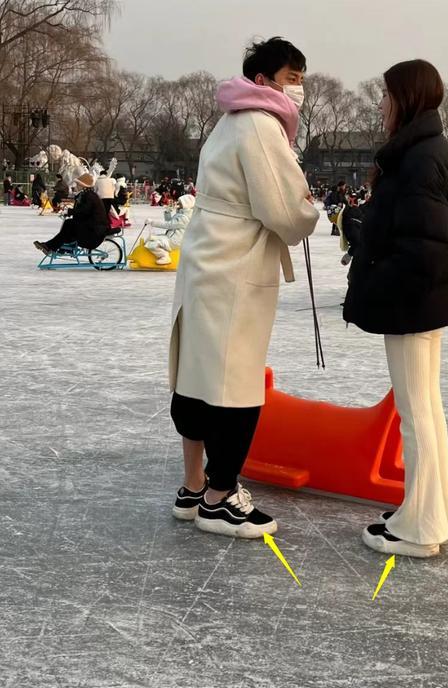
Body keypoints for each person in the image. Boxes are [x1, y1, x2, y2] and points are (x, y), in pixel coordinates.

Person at [169, 37, 319, 539]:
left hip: (207, 259)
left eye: (301, 79)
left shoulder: (229, 121)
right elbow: (284, 211)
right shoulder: (260, 125)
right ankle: (219, 496)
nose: (297, 89)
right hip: (236, 263)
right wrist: (308, 211)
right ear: (263, 81)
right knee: (236, 383)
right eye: (290, 78)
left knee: (195, 373)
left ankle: (193, 485)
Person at [343, 59, 448, 558]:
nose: (380, 104)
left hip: (414, 303)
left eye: (385, 94)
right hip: (424, 300)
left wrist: (377, 277)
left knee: (416, 411)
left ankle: (421, 526)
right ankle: (432, 504)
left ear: (406, 98)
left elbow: (424, 249)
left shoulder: (420, 157)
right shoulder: (424, 150)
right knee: (425, 405)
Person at [33, 173, 108, 254]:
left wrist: (70, 212)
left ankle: (52, 246)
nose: (76, 185)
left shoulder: (90, 196)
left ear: (83, 185)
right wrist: (69, 212)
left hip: (95, 231)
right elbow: (82, 211)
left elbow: (84, 210)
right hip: (91, 226)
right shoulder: (86, 194)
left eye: (78, 184)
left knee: (70, 225)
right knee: (69, 223)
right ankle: (60, 246)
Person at [144, 194, 195, 264]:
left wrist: (152, 222)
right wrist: (167, 212)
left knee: (152, 244)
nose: (178, 203)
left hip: (175, 241)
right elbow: (169, 221)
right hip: (170, 237)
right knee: (150, 238)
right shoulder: (181, 214)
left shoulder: (184, 218)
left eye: (180, 202)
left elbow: (168, 225)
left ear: (186, 204)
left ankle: (164, 256)